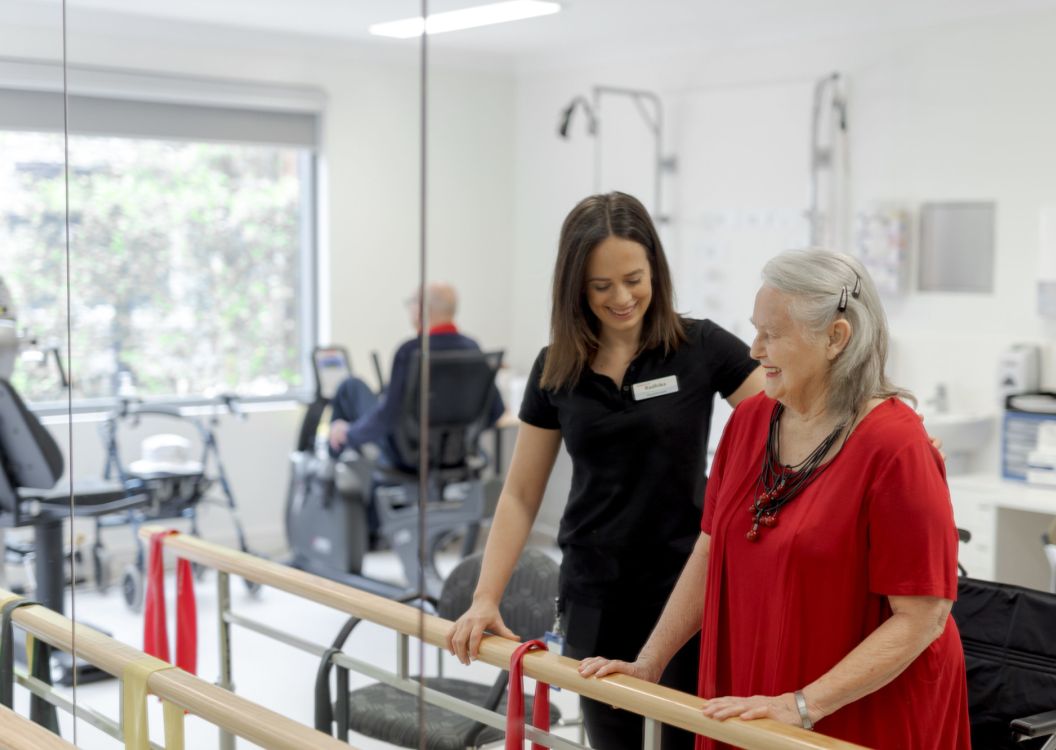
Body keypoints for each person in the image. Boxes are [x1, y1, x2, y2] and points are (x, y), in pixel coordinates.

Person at [578, 249, 971, 750]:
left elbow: (922, 619)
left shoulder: (897, 448)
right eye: (755, 329)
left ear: (836, 338)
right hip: (762, 690)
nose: (754, 349)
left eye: (773, 334)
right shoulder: (749, 422)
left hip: (858, 709)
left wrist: (802, 705)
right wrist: (649, 662)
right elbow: (710, 549)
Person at [446, 192, 766, 750]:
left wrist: (884, 429)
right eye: (601, 286)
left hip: (685, 590)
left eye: (634, 279)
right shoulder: (556, 369)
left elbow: (796, 412)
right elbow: (521, 494)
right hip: (596, 593)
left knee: (686, 741)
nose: (622, 298)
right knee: (613, 740)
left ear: (655, 272)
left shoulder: (701, 347)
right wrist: (485, 597)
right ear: (576, 287)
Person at [328, 280, 504, 470]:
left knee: (350, 386)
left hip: (407, 455)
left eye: (411, 303)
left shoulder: (410, 351)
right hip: (455, 454)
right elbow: (496, 410)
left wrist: (350, 433)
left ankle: (333, 451)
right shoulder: (472, 349)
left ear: (421, 309)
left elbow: (387, 417)